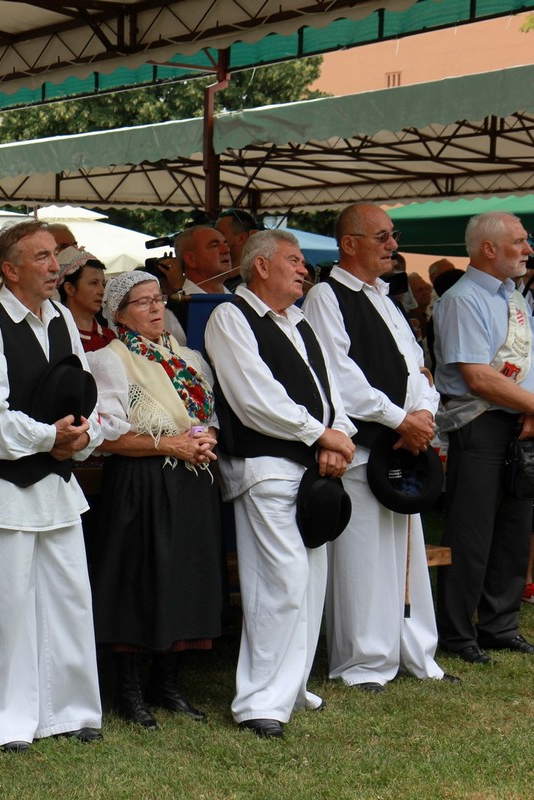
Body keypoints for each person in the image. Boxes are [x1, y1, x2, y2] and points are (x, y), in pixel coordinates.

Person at [0, 220, 104, 751]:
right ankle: (2, 720)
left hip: (56, 484)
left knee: (68, 597)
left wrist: (79, 437)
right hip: (1, 486)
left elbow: (86, 398)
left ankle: (68, 710)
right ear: (10, 269)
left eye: (55, 257)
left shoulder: (63, 317)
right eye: (41, 257)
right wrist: (50, 437)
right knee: (4, 605)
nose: (53, 267)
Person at [205, 229, 356, 739]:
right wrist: (322, 435)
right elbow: (254, 398)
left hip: (311, 467)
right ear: (261, 266)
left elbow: (330, 391)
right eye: (293, 260)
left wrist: (338, 438)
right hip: (265, 466)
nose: (303, 269)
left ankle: (290, 687)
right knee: (280, 583)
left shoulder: (300, 320)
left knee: (309, 584)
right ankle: (258, 702)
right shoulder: (231, 316)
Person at [304, 203, 451, 691]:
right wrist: (399, 419)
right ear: (350, 244)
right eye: (383, 237)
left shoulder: (386, 299)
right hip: (365, 446)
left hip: (403, 445)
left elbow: (417, 367)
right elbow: (338, 374)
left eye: (393, 235)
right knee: (364, 557)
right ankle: (364, 661)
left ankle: (415, 651)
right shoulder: (327, 295)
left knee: (405, 552)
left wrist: (424, 413)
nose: (393, 245)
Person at [87, 270, 222, 730]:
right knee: (139, 581)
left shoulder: (189, 358)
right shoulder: (109, 360)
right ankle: (128, 691)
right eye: (143, 302)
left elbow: (206, 416)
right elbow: (107, 435)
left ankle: (167, 684)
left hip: (191, 479)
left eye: (159, 299)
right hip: (141, 482)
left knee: (187, 579)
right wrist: (173, 445)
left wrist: (201, 440)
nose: (155, 308)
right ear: (120, 315)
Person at [433, 211, 534, 664]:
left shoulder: (515, 297)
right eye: (519, 241)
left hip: (520, 421)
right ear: (488, 248)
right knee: (472, 531)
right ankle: (457, 634)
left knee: (515, 527)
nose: (528, 249)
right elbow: (477, 377)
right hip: (480, 423)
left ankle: (499, 624)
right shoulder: (463, 298)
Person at [56, 246, 113, 353]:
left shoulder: (109, 337)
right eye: (93, 283)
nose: (102, 291)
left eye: (103, 284)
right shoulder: (58, 338)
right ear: (69, 288)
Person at [176, 226, 234, 295]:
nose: (227, 250)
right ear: (190, 259)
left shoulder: (240, 301)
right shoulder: (181, 304)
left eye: (226, 244)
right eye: (214, 245)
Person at [215, 209, 260, 275]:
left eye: (220, 234)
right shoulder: (214, 279)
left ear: (241, 238)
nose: (214, 239)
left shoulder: (253, 282)